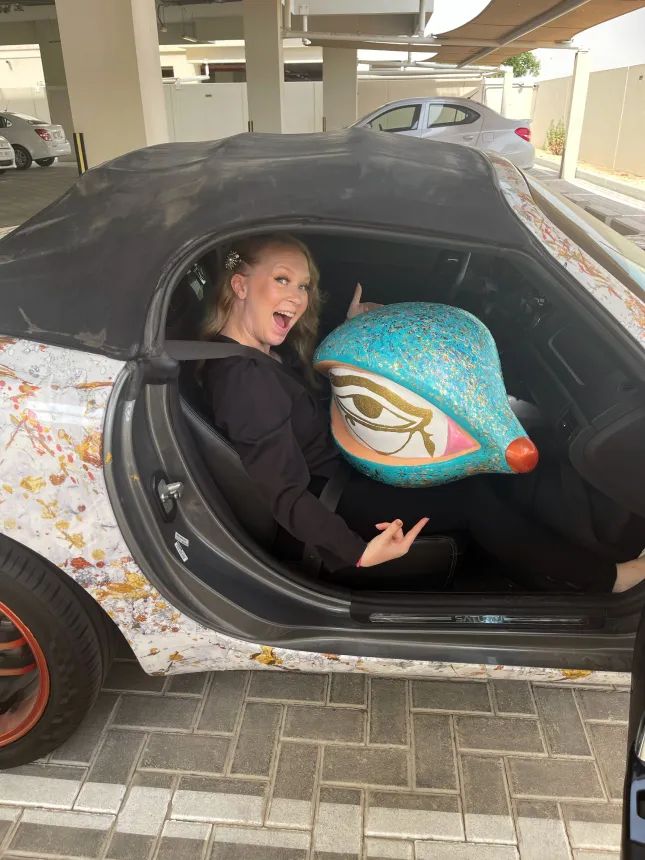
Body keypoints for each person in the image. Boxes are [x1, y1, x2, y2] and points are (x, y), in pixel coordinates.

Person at [200, 233, 645, 593]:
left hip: (346, 462)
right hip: (334, 495)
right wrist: (356, 552)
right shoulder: (242, 379)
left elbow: (303, 399)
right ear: (240, 285)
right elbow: (282, 490)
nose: (297, 297)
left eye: (303, 285)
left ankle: (573, 549)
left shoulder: (260, 352)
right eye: (282, 279)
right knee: (473, 498)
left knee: (481, 465)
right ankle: (604, 579)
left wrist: (350, 329)